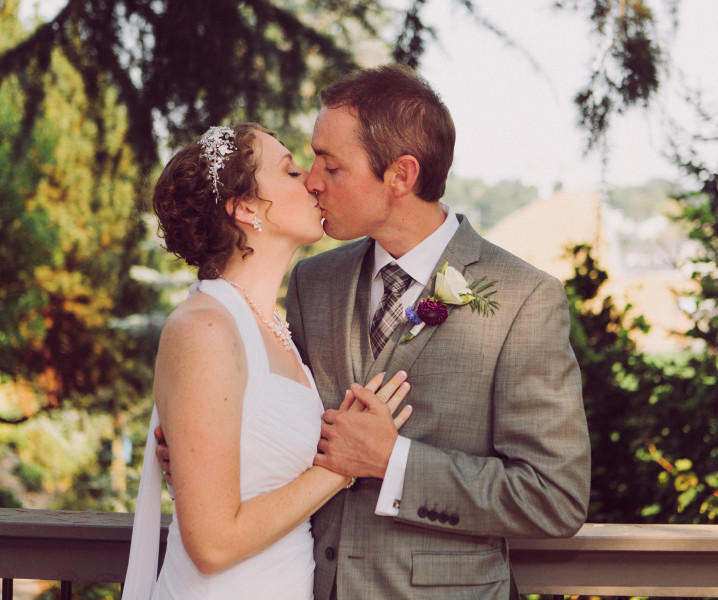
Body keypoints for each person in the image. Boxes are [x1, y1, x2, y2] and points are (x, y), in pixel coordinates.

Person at [286, 64, 591, 599]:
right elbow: (297, 435)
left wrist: (394, 463)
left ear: (401, 176)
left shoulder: (525, 299)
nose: (312, 180)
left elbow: (554, 496)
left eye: (330, 166)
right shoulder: (313, 281)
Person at [123, 123, 412, 600]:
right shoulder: (205, 328)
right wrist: (340, 468)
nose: (314, 182)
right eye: (292, 172)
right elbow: (212, 544)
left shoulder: (276, 328)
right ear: (246, 208)